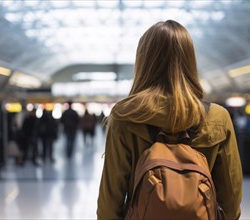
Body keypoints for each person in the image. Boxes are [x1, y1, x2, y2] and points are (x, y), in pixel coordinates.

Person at [97, 20, 242, 220]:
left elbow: (110, 201)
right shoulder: (218, 117)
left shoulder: (125, 117)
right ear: (189, 60)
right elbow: (231, 198)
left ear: (143, 62)